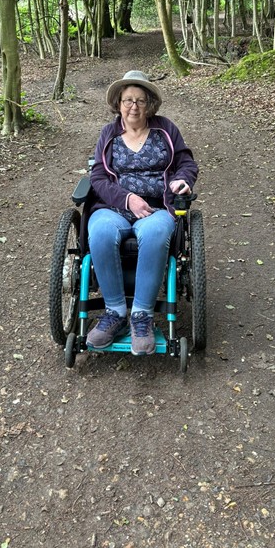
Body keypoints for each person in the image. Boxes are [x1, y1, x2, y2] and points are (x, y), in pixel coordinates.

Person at [86, 70, 198, 356]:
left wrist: (182, 179)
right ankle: (115, 312)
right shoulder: (108, 134)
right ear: (118, 104)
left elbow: (186, 162)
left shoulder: (165, 130)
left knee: (156, 231)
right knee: (98, 231)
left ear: (150, 105)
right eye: (127, 100)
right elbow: (98, 178)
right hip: (115, 207)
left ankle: (142, 316)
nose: (133, 106)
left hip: (158, 207)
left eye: (140, 100)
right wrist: (128, 199)